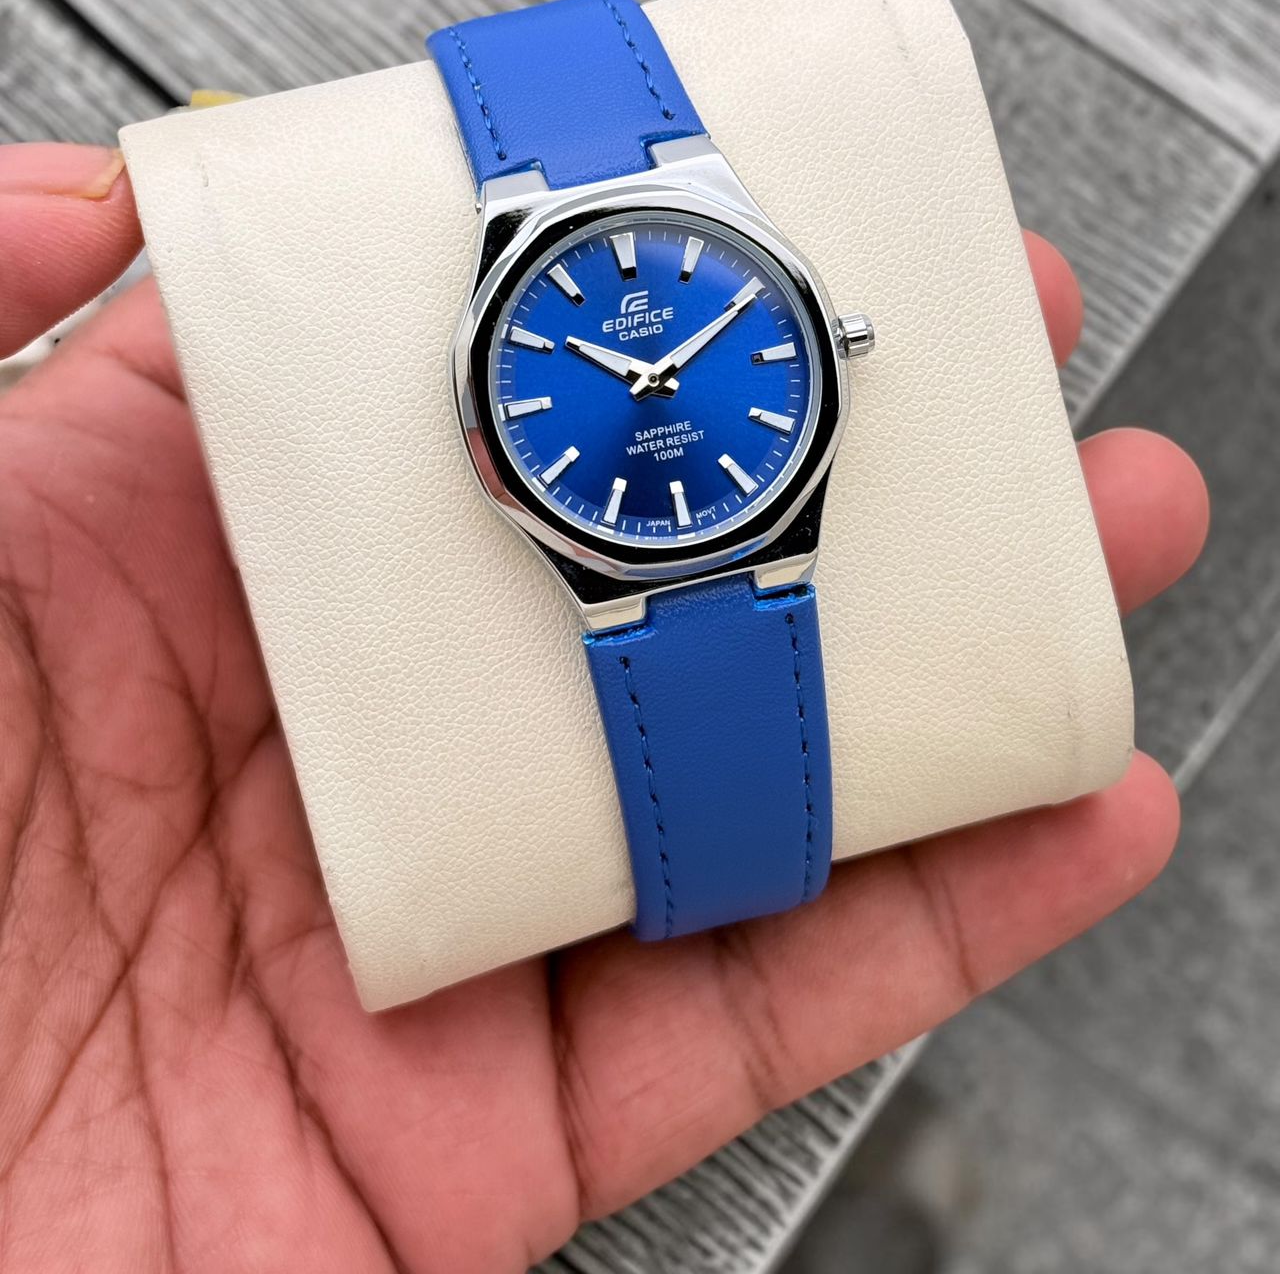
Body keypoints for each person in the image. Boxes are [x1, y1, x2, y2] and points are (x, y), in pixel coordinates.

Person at [0, 142, 1208, 1272]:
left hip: (749, 522)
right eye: (636, 374)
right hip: (618, 556)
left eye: (667, 364)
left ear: (827, 341)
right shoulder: (585, 379)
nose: (652, 377)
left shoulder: (697, 269)